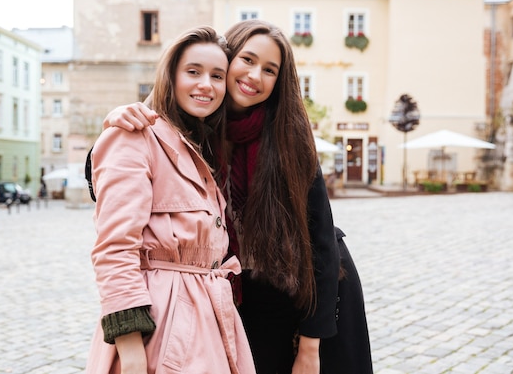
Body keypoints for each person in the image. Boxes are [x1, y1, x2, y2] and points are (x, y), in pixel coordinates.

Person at [102, 20, 373, 374]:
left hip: (307, 298)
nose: (255, 75)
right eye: (246, 60)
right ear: (227, 61)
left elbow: (322, 243)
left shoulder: (290, 136)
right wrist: (117, 121)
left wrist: (310, 345)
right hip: (237, 298)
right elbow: (119, 176)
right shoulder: (197, 126)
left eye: (270, 70)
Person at [85, 26, 256, 374]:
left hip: (210, 319)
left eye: (217, 75)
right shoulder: (134, 134)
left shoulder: (199, 145)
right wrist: (130, 348)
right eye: (193, 71)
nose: (206, 84)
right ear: (171, 76)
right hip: (161, 325)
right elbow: (114, 248)